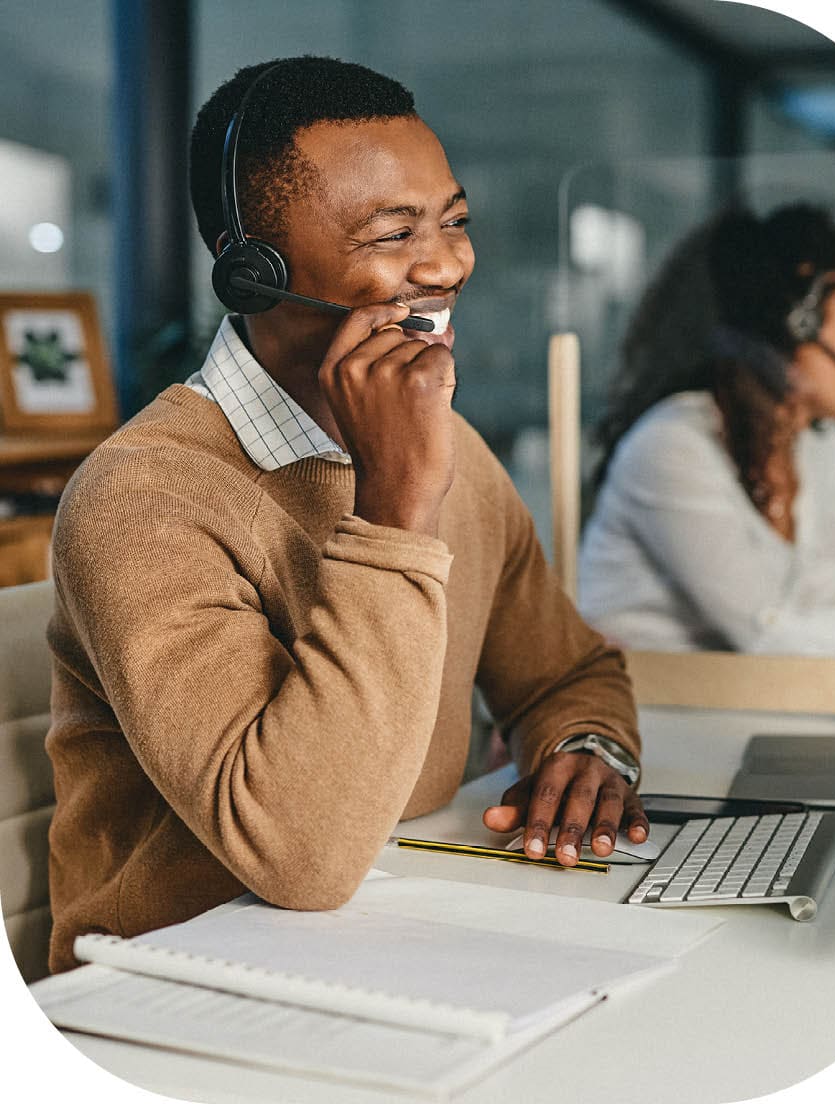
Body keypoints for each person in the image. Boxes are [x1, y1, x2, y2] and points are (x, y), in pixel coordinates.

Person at [45, 56, 647, 974]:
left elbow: (567, 669)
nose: (448, 263)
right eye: (392, 233)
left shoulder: (457, 454)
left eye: (453, 221)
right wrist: (398, 512)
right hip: (180, 984)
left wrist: (585, 749)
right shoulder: (143, 497)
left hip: (396, 934)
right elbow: (303, 854)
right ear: (254, 271)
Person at [579, 202, 835, 657]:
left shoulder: (818, 445)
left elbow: (829, 592)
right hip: (654, 711)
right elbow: (768, 629)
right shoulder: (672, 444)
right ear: (799, 316)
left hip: (747, 705)